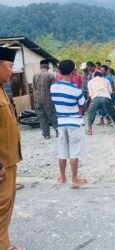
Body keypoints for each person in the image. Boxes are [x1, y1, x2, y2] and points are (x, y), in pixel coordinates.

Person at [0, 46, 25, 250]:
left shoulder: (1, 89)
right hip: (1, 164)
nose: (12, 71)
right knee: (1, 209)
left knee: (6, 207)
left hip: (9, 161)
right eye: (9, 66)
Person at [50, 60, 87, 188]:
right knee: (74, 152)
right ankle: (75, 180)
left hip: (60, 122)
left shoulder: (53, 87)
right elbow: (82, 106)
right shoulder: (76, 90)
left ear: (59, 72)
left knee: (62, 150)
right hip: (74, 123)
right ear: (74, 72)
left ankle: (62, 177)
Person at [33, 60, 58, 139]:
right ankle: (58, 131)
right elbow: (54, 89)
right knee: (52, 116)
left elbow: (34, 89)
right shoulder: (50, 76)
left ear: (40, 67)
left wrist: (35, 99)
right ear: (48, 67)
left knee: (42, 117)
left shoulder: (35, 76)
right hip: (48, 100)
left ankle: (46, 134)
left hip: (37, 101)